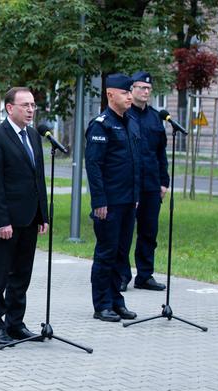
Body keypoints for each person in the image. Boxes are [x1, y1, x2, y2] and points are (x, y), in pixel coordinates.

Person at [0, 87, 49, 347]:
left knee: (22, 274)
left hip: (30, 218)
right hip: (6, 221)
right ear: (10, 108)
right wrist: (2, 220)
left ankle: (16, 323)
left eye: (33, 105)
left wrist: (43, 214)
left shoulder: (33, 136)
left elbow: (38, 178)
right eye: (26, 105)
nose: (31, 110)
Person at [85, 73, 140, 322]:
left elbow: (135, 163)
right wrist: (99, 201)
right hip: (109, 202)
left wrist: (136, 196)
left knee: (121, 254)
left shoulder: (131, 122)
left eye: (131, 92)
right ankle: (102, 304)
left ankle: (117, 300)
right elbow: (94, 166)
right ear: (110, 94)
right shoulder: (101, 124)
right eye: (125, 92)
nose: (130, 96)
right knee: (106, 253)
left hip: (128, 200)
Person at [116, 71, 169, 292]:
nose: (145, 92)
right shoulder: (124, 116)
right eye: (141, 88)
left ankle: (145, 275)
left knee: (149, 231)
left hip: (151, 185)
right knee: (125, 232)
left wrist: (163, 182)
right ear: (132, 90)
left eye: (148, 88)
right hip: (129, 185)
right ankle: (121, 276)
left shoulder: (156, 117)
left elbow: (161, 153)